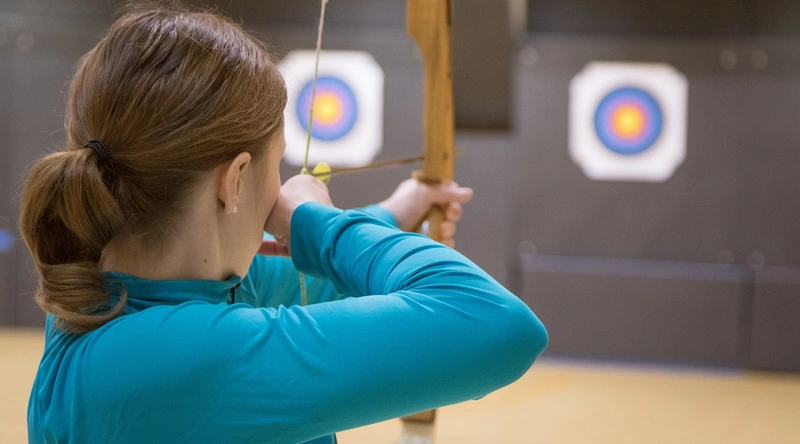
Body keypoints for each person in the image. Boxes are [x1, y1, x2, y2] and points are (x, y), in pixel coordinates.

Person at [19, 4, 548, 444]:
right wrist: (316, 221)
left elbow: (296, 280)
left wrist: (395, 213)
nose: (281, 186)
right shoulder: (182, 359)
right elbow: (498, 324)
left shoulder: (105, 295)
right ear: (235, 180)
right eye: (277, 165)